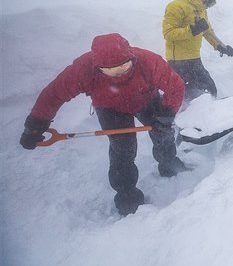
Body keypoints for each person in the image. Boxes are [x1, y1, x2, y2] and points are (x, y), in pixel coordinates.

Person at [19, 33, 187, 216]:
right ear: (98, 67)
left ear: (132, 57)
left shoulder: (147, 60)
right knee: (122, 149)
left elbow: (175, 85)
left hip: (146, 98)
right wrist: (35, 125)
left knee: (163, 133)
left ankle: (169, 163)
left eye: (125, 65)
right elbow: (54, 94)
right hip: (111, 108)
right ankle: (127, 195)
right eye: (112, 69)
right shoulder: (83, 69)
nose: (121, 71)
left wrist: (167, 113)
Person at [162, 0, 233, 102]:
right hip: (178, 61)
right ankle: (186, 118)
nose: (208, 7)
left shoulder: (202, 11)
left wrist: (220, 46)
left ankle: (211, 114)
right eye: (209, 3)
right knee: (189, 95)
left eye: (212, 4)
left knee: (210, 89)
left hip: (194, 58)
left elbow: (207, 32)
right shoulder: (176, 6)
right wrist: (192, 30)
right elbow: (168, 33)